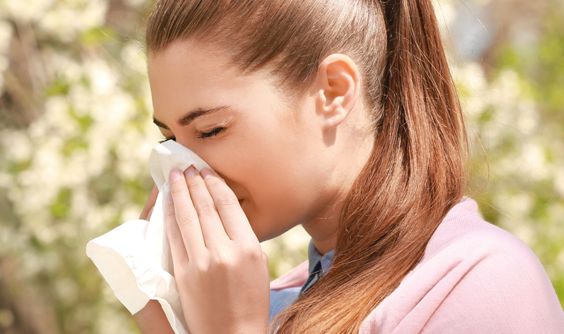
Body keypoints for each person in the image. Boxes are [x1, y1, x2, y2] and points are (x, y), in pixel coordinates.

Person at [129, 0, 564, 332]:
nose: (180, 169)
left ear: (333, 93)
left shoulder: (476, 283)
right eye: (169, 139)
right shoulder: (270, 304)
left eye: (209, 130)